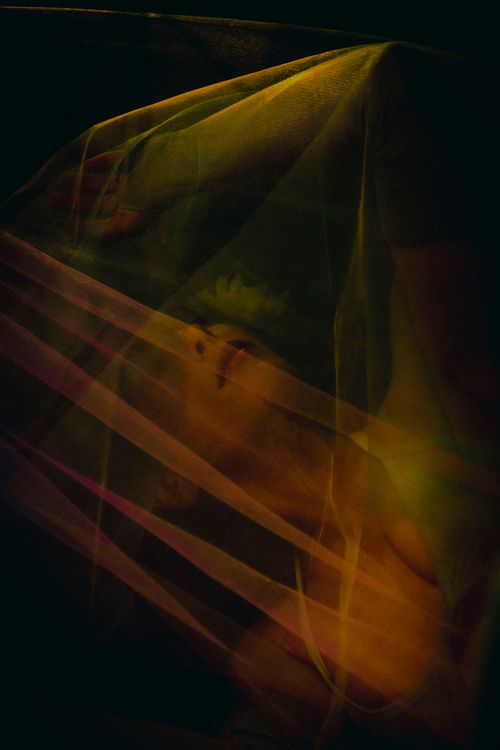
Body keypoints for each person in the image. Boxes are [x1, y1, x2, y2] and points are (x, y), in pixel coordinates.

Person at [1, 40, 499, 749]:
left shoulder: (424, 411)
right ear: (168, 484)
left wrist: (155, 175)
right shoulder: (284, 657)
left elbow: (388, 89)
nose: (198, 335)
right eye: (155, 365)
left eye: (188, 322)